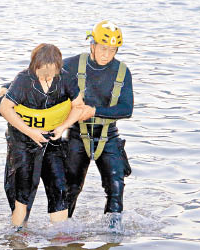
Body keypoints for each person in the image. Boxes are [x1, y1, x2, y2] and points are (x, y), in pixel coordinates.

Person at [0, 43, 84, 228]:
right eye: (41, 71)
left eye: (50, 71)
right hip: (23, 139)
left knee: (60, 188)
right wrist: (31, 132)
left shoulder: (66, 78)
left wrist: (63, 127)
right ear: (34, 65)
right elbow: (4, 108)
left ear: (58, 67)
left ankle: (60, 237)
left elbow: (79, 106)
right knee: (23, 192)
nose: (45, 76)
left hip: (52, 138)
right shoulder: (23, 80)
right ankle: (18, 235)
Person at [63, 20, 133, 226]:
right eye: (103, 48)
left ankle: (112, 235)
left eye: (112, 50)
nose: (106, 55)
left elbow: (126, 109)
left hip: (108, 135)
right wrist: (9, 88)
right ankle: (62, 233)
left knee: (116, 187)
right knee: (71, 188)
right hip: (76, 134)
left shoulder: (122, 71)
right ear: (92, 45)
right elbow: (41, 72)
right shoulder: (73, 64)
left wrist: (94, 111)